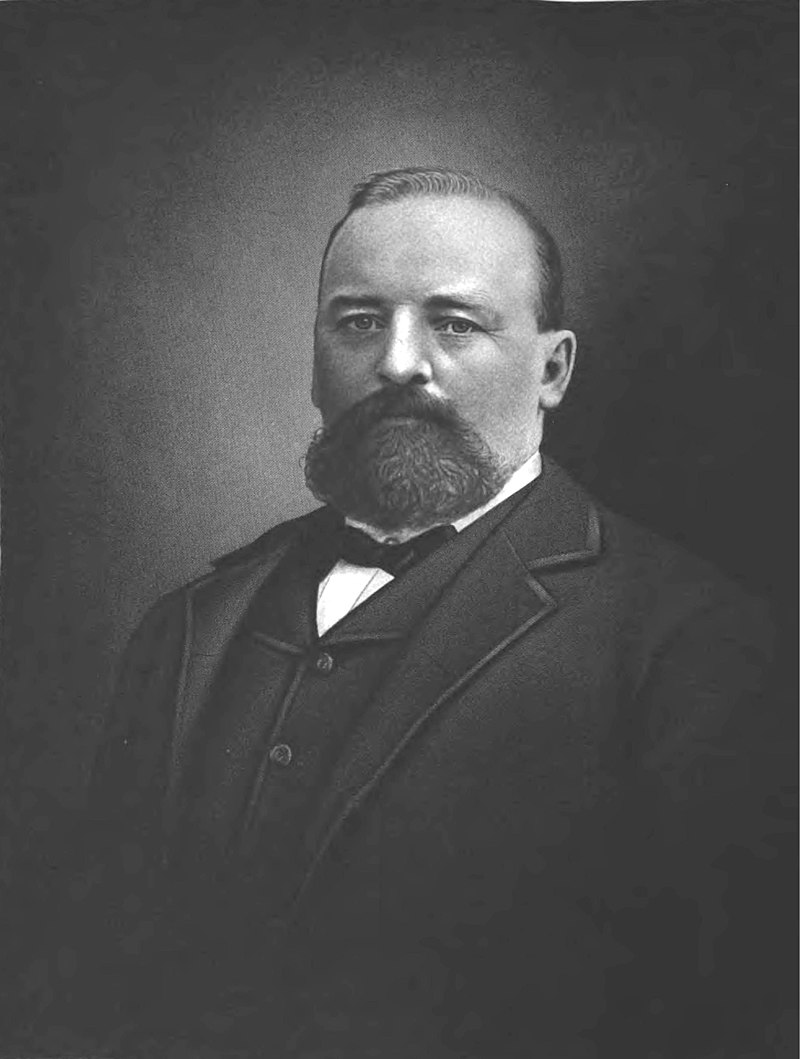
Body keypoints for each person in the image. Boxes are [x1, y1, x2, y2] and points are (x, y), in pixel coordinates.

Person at [38, 168, 788, 1057]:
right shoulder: (188, 625)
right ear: (315, 354)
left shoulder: (689, 642)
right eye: (359, 321)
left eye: (454, 323)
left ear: (552, 369)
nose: (398, 362)